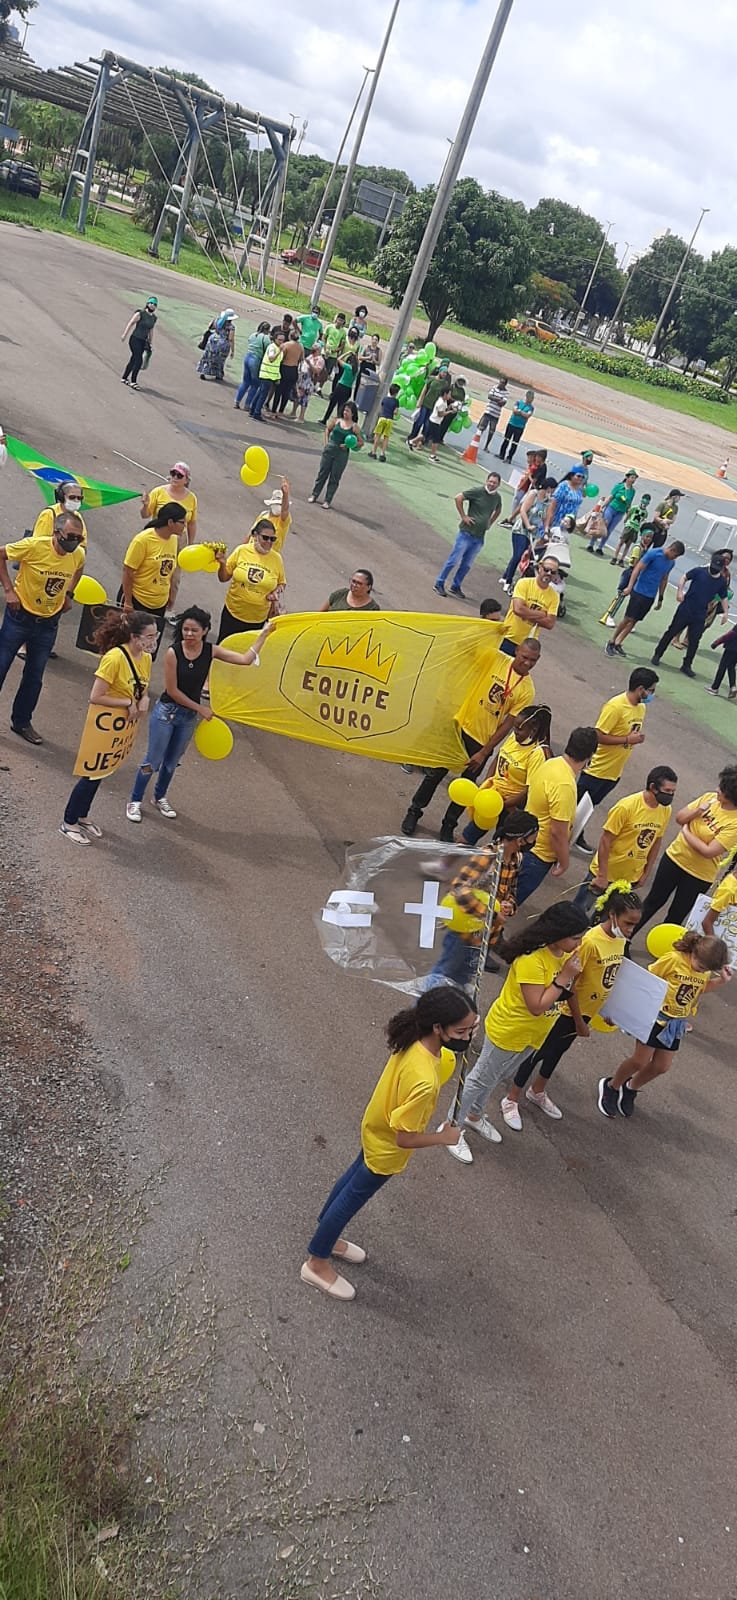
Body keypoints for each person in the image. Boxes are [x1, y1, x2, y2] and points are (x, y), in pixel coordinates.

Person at [300, 987, 475, 1300]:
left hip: (374, 1127)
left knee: (350, 1182)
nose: (468, 1036)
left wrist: (464, 1030)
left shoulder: (415, 1038)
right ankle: (316, 1262)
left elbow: (442, 1062)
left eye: (471, 1028)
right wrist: (444, 1138)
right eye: (461, 1031)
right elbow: (405, 1138)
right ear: (438, 1027)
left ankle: (327, 1234)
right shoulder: (425, 1081)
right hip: (387, 1148)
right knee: (351, 1199)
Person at [446, 902, 587, 1159]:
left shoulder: (563, 955)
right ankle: (450, 1128)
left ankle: (474, 1116)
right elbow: (537, 1006)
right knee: (479, 1079)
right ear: (558, 932)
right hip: (509, 1030)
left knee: (496, 1076)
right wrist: (564, 977)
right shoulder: (533, 960)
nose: (579, 944)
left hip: (532, 1034)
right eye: (575, 938)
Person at [506, 886, 643, 1122]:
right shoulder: (590, 942)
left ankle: (537, 1090)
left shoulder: (620, 941)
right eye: (628, 923)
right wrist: (579, 1021)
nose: (631, 929)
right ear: (612, 915)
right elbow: (571, 985)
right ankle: (511, 1097)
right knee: (538, 1053)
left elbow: (606, 978)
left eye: (634, 925)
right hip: (567, 1012)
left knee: (557, 1053)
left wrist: (607, 1011)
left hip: (586, 1013)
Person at [127, 606, 271, 823]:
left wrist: (264, 634)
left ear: (205, 630)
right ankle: (135, 800)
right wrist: (200, 708)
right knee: (152, 761)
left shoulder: (210, 650)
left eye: (194, 630)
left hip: (187, 719)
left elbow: (244, 659)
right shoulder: (173, 652)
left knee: (172, 762)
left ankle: (159, 797)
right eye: (185, 629)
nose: (189, 634)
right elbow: (173, 691)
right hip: (167, 713)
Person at [400, 638, 540, 839]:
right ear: (517, 650)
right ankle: (414, 811)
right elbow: (466, 646)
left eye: (533, 660)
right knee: (435, 774)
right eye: (525, 657)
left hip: (482, 742)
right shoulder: (497, 659)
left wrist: (484, 752)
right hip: (460, 728)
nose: (527, 663)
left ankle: (448, 825)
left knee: (467, 784)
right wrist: (493, 631)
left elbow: (508, 724)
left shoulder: (527, 690)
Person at [598, 933, 729, 1120]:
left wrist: (721, 981)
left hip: (676, 1022)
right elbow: (646, 980)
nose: (702, 971)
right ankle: (612, 1086)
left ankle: (631, 1087)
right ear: (694, 952)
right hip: (655, 1016)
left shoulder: (703, 970)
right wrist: (627, 1008)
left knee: (661, 1066)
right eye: (701, 966)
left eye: (706, 970)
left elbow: (700, 988)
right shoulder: (674, 959)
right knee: (639, 1061)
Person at [60, 610, 158, 844]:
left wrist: (144, 700)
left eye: (156, 635)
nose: (153, 641)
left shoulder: (145, 659)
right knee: (91, 774)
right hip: (103, 726)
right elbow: (96, 696)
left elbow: (142, 689)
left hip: (121, 727)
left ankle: (82, 816)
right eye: (149, 636)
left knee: (102, 772)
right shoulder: (115, 658)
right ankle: (69, 821)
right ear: (134, 637)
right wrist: (127, 702)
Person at [425, 809, 539, 989]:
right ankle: (424, 1004)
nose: (533, 843)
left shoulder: (516, 858)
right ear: (520, 839)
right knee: (443, 975)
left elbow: (511, 890)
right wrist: (491, 914)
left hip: (486, 935)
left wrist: (509, 905)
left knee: (462, 979)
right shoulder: (487, 856)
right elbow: (458, 888)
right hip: (464, 932)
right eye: (532, 838)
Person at [0, 512, 85, 744]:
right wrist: (8, 590)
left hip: (48, 622)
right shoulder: (34, 546)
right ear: (57, 533)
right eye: (71, 536)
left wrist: (68, 594)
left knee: (34, 676)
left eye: (78, 538)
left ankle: (21, 721)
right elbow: (1, 554)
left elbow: (79, 568)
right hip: (20, 616)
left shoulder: (77, 554)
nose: (74, 542)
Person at [637, 767, 737, 928]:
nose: (717, 789)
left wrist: (686, 832)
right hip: (674, 858)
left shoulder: (734, 823)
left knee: (676, 916)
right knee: (652, 901)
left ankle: (663, 944)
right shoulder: (709, 798)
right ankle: (626, 939)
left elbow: (709, 851)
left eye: (723, 789)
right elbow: (680, 817)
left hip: (698, 876)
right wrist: (698, 811)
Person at [574, 765, 678, 915]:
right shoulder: (626, 807)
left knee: (608, 919)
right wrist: (602, 875)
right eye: (667, 791)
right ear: (653, 787)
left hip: (628, 879)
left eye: (673, 792)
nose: (670, 795)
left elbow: (656, 842)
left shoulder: (665, 810)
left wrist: (645, 873)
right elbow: (605, 841)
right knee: (578, 912)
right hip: (606, 873)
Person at [575, 668, 658, 853]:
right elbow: (598, 735)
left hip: (614, 771)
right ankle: (566, 837)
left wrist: (633, 738)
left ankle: (576, 832)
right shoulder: (615, 706)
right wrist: (627, 740)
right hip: (597, 769)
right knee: (577, 806)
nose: (652, 695)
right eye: (651, 690)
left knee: (590, 806)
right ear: (641, 689)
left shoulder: (641, 708)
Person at [516, 725, 599, 905]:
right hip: (538, 855)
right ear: (590, 756)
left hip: (524, 841)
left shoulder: (551, 764)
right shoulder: (565, 785)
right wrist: (564, 861)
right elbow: (557, 832)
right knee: (508, 903)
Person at [461, 703, 553, 846]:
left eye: (519, 729)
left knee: (499, 849)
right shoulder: (514, 737)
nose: (515, 731)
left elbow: (530, 790)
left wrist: (504, 804)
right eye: (515, 727)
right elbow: (499, 757)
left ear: (533, 730)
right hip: (493, 797)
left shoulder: (538, 754)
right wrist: (487, 783)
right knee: (465, 839)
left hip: (511, 808)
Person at [651, 555, 730, 678]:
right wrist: (680, 591)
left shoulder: (721, 582)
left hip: (700, 613)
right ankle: (658, 654)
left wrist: (726, 613)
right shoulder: (699, 571)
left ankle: (687, 665)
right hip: (686, 608)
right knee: (672, 631)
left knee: (694, 641)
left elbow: (724, 597)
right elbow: (684, 577)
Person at [606, 539, 684, 657]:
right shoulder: (654, 553)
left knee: (635, 620)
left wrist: (660, 597)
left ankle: (618, 643)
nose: (675, 558)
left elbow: (664, 578)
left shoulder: (671, 563)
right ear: (672, 550)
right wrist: (630, 586)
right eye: (676, 555)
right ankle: (611, 641)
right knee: (627, 619)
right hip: (639, 591)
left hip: (650, 596)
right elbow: (637, 568)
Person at [215, 519, 286, 641]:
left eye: (272, 539)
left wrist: (276, 592)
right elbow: (223, 578)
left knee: (246, 651)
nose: (269, 542)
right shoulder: (241, 551)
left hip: (257, 619)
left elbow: (281, 583)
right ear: (255, 535)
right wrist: (222, 564)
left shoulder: (277, 559)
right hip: (233, 613)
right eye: (265, 538)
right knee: (224, 647)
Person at [434, 473, 503, 598]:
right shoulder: (477, 491)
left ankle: (456, 586)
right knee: (453, 560)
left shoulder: (497, 498)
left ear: (498, 484)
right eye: (490, 481)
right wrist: (464, 516)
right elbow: (458, 498)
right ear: (486, 481)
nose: (492, 484)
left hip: (479, 537)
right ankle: (439, 582)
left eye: (495, 483)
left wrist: (490, 522)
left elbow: (498, 510)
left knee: (467, 565)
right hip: (466, 533)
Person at [142, 464, 198, 618]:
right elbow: (145, 515)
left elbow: (192, 523)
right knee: (153, 568)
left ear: (186, 479)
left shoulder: (191, 498)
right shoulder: (159, 492)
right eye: (173, 473)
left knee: (174, 575)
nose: (175, 477)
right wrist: (145, 506)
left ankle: (169, 607)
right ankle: (147, 599)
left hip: (179, 540)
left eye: (179, 475)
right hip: (158, 536)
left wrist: (190, 544)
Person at [121, 503, 184, 620]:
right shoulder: (143, 540)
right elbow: (128, 571)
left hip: (159, 604)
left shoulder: (174, 539)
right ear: (170, 522)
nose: (184, 526)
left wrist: (170, 595)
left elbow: (170, 570)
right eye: (182, 522)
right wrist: (128, 601)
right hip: (138, 601)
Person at [500, 476, 557, 592]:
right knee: (518, 555)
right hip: (521, 529)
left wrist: (546, 531)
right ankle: (508, 581)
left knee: (523, 555)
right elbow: (523, 510)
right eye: (553, 489)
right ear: (549, 488)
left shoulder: (548, 501)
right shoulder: (533, 494)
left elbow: (546, 518)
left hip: (533, 533)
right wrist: (528, 525)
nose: (553, 492)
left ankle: (505, 575)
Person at [499, 555, 560, 656]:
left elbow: (549, 623)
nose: (549, 574)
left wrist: (526, 612)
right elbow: (518, 609)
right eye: (546, 570)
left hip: (527, 645)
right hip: (508, 636)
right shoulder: (524, 583)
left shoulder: (554, 596)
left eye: (553, 572)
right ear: (540, 568)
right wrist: (541, 614)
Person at [308, 401, 363, 509]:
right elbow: (327, 430)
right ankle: (314, 494)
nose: (345, 412)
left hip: (341, 454)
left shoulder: (354, 427)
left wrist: (349, 445)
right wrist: (326, 443)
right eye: (345, 410)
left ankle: (327, 500)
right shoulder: (336, 421)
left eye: (348, 411)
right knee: (322, 473)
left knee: (335, 477)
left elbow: (361, 442)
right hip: (330, 449)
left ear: (353, 413)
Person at [587, 471, 638, 554]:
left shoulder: (632, 491)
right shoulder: (619, 486)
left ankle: (600, 547)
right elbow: (610, 497)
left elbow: (629, 503)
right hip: (611, 508)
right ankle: (591, 544)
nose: (633, 480)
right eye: (632, 477)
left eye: (635, 478)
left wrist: (628, 514)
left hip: (620, 512)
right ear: (627, 477)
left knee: (609, 530)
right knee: (602, 526)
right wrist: (602, 506)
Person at [31, 481, 89, 548]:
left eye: (79, 498)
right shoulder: (49, 514)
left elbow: (83, 544)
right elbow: (38, 543)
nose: (76, 500)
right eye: (72, 497)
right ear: (62, 497)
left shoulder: (78, 516)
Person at [503, 448, 548, 525]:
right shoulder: (541, 466)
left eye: (537, 457)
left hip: (536, 491)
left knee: (523, 506)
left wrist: (529, 475)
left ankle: (514, 521)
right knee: (523, 505)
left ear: (541, 458)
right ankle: (511, 519)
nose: (535, 458)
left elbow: (533, 481)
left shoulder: (541, 468)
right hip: (535, 490)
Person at [121, 296, 157, 389]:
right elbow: (131, 323)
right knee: (139, 360)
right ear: (147, 304)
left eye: (154, 304)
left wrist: (150, 342)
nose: (152, 305)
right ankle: (133, 381)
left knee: (133, 359)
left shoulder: (154, 318)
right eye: (151, 303)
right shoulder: (140, 313)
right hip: (135, 339)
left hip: (143, 341)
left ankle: (124, 377)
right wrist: (124, 335)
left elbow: (151, 330)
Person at [407, 371, 450, 447]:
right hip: (425, 403)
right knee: (419, 421)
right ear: (440, 371)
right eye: (443, 372)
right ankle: (412, 436)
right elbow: (424, 390)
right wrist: (420, 402)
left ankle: (421, 441)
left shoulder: (445, 383)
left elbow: (444, 395)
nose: (444, 374)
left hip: (434, 406)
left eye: (445, 373)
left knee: (427, 425)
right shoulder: (431, 379)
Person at [234, 320, 270, 410]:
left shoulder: (253, 335)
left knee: (245, 381)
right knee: (255, 384)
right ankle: (247, 404)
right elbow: (268, 349)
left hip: (248, 356)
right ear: (267, 330)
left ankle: (237, 401)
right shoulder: (266, 338)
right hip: (256, 359)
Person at [249, 330, 285, 420]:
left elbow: (277, 364)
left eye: (283, 340)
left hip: (270, 374)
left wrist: (277, 377)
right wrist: (279, 351)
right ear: (275, 339)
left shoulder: (277, 348)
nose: (281, 342)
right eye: (279, 340)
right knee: (263, 395)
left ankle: (253, 410)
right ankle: (256, 413)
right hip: (266, 374)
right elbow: (271, 359)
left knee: (260, 393)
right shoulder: (273, 347)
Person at [610, 493, 652, 565]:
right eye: (644, 502)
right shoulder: (634, 508)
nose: (644, 504)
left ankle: (622, 559)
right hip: (629, 526)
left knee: (628, 545)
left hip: (635, 529)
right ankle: (615, 557)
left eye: (646, 503)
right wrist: (626, 523)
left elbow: (642, 520)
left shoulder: (645, 513)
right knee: (621, 542)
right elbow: (628, 515)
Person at [197, 310, 236, 382]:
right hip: (223, 343)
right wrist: (232, 350)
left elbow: (210, 326)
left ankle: (203, 371)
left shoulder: (217, 321)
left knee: (208, 356)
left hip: (213, 340)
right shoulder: (231, 327)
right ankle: (218, 374)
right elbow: (230, 339)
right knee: (220, 360)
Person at [544, 470, 585, 535]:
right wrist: (547, 524)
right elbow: (553, 504)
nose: (581, 478)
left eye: (583, 477)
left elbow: (576, 507)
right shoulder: (564, 486)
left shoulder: (580, 490)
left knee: (562, 539)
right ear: (571, 476)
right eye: (578, 476)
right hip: (558, 519)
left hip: (568, 523)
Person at [498, 389, 534, 463]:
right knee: (506, 440)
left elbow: (527, 415)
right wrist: (522, 413)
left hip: (520, 427)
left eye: (531, 398)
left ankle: (509, 458)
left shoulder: (531, 407)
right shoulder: (518, 402)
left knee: (514, 443)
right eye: (529, 397)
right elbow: (514, 411)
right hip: (511, 423)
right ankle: (501, 454)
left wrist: (519, 412)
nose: (530, 399)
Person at [368, 384, 400, 461]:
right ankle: (382, 454)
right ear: (396, 393)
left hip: (382, 418)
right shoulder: (396, 401)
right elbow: (395, 412)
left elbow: (381, 407)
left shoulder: (385, 399)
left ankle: (373, 452)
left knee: (377, 436)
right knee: (386, 437)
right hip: (389, 420)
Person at [257, 479, 291, 552]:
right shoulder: (263, 515)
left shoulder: (282, 522)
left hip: (269, 554)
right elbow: (250, 534)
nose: (278, 506)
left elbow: (285, 511)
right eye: (276, 504)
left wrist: (285, 494)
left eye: (280, 504)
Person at [708, 619, 737, 699]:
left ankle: (714, 688)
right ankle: (733, 686)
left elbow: (731, 634)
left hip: (732, 647)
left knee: (722, 666)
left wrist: (717, 642)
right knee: (731, 667)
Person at [478, 377, 509, 453]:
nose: (500, 384)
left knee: (491, 431)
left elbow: (503, 403)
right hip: (488, 411)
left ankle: (486, 446)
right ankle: (476, 441)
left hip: (496, 414)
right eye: (500, 382)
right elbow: (489, 396)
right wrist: (498, 399)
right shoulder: (494, 388)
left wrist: (495, 398)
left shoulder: (506, 392)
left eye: (502, 383)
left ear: (505, 384)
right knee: (481, 428)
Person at [322, 312, 347, 376]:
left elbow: (342, 346)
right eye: (339, 320)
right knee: (320, 368)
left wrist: (334, 351)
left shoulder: (343, 332)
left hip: (333, 355)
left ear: (343, 322)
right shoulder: (329, 327)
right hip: (324, 352)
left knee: (327, 372)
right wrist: (325, 348)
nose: (340, 322)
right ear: (336, 319)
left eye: (342, 321)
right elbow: (324, 338)